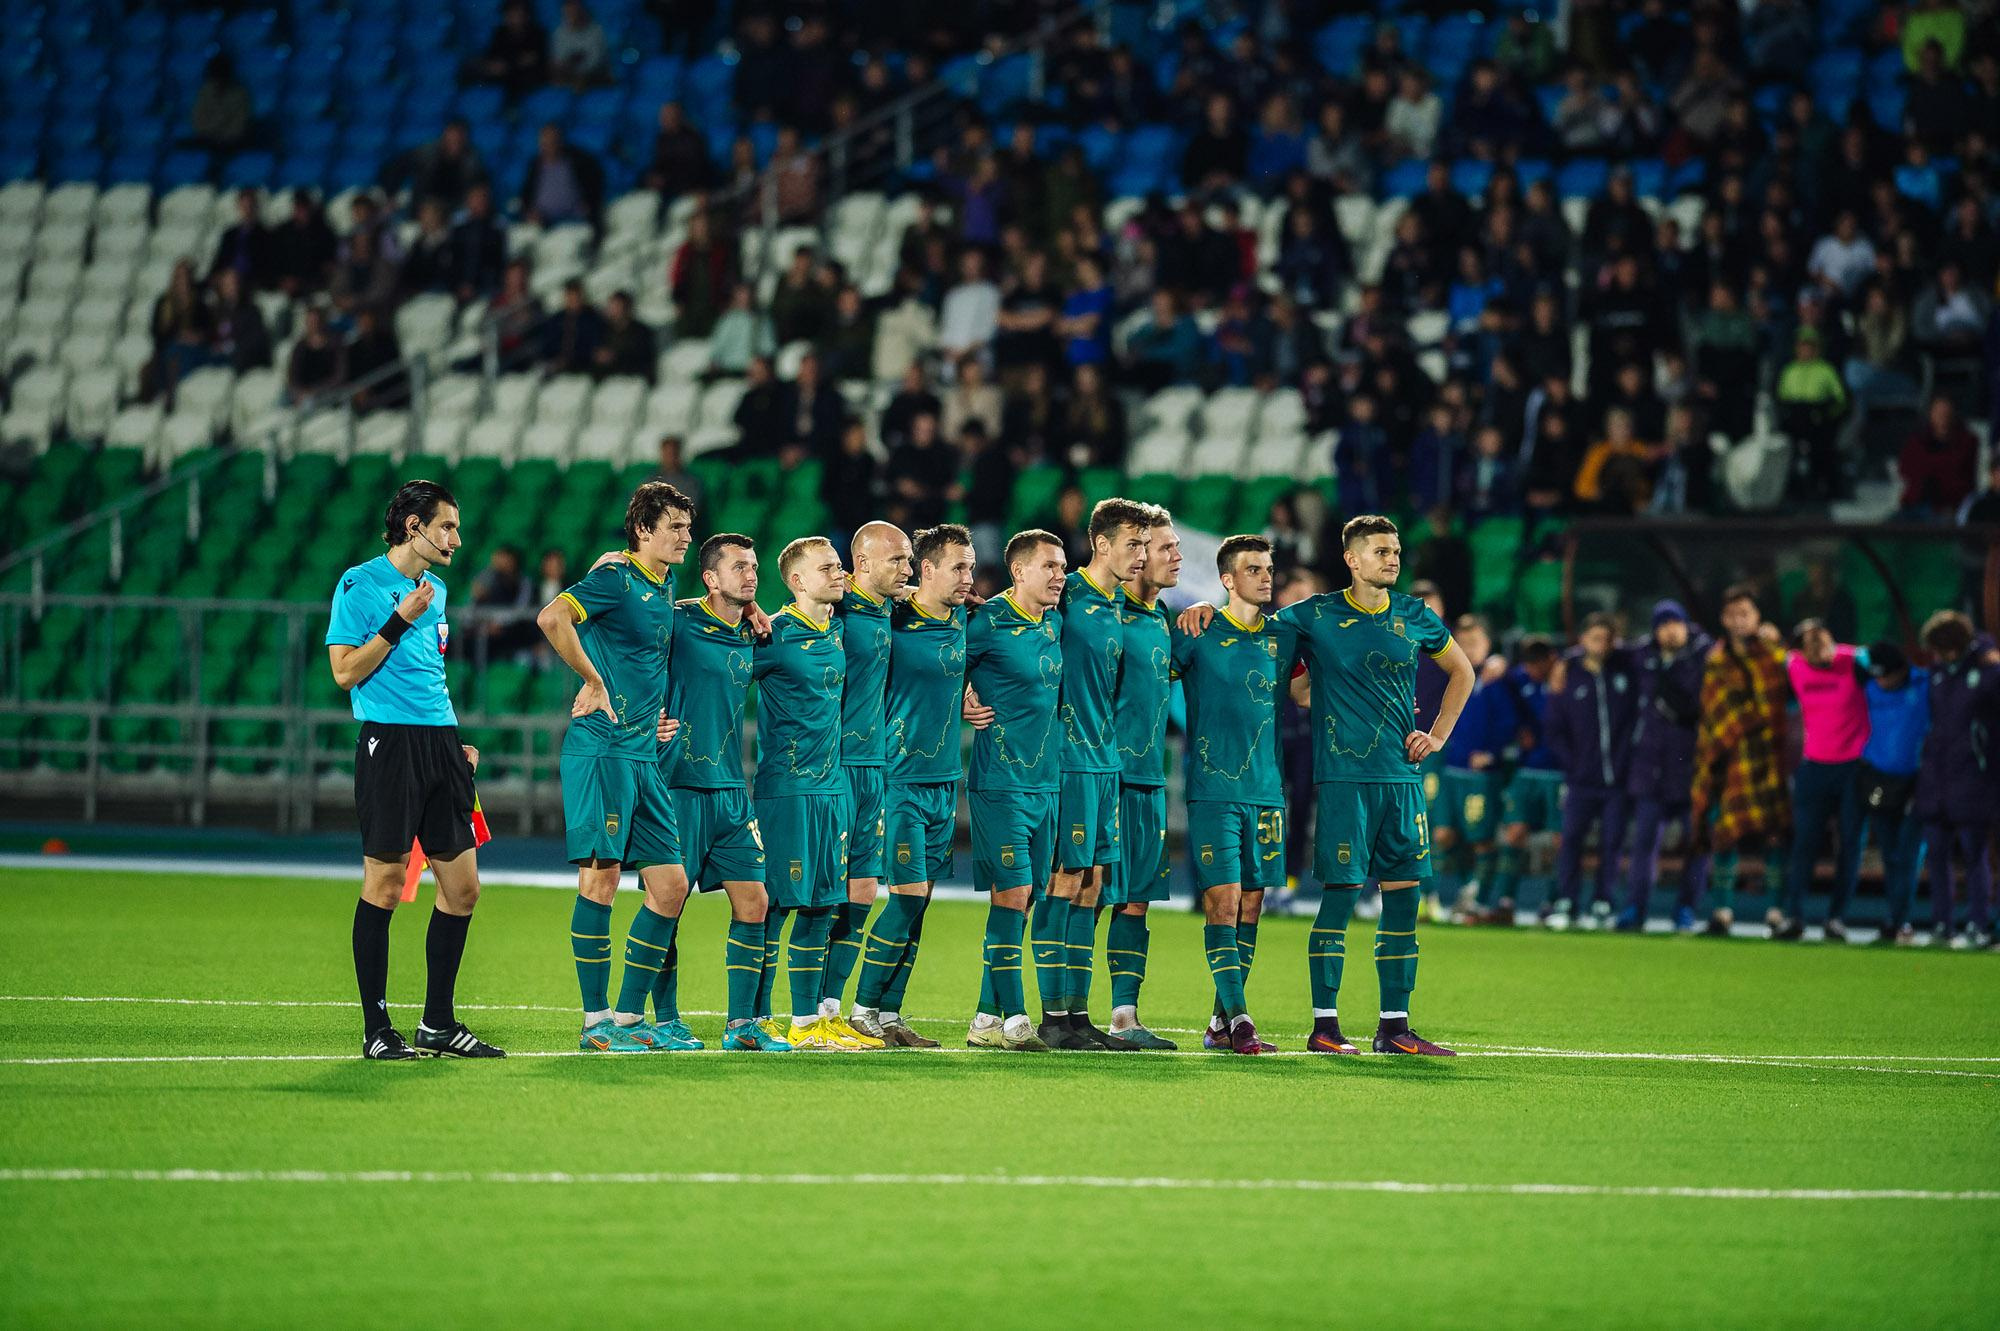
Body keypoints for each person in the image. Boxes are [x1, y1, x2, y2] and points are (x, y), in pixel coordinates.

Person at [1276, 517, 1473, 1055]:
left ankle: (1395, 1026)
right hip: (1344, 780)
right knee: (1339, 898)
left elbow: (1463, 672)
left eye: (1396, 551)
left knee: (1404, 900)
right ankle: (1324, 1026)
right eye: (1381, 551)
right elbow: (1257, 635)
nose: (1392, 559)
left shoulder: (1414, 614)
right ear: (1352, 559)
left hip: (1402, 778)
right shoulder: (1315, 615)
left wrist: (1436, 735)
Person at [326, 481, 502, 1060]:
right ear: (413, 527)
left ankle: (437, 1024)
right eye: (447, 526)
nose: (456, 537)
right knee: (383, 881)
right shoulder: (360, 584)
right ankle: (377, 1029)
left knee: (464, 888)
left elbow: (429, 672)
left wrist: (452, 741)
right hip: (389, 746)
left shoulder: (439, 590)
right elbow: (346, 673)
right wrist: (398, 620)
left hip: (440, 745)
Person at [536, 484, 692, 1054]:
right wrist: (593, 679)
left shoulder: (661, 581)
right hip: (601, 749)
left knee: (671, 887)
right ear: (643, 530)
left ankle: (628, 1017)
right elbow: (552, 617)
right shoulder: (615, 577)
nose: (685, 536)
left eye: (687, 526)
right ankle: (595, 1022)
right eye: (674, 526)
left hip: (642, 754)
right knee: (600, 881)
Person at [851, 525, 978, 1046]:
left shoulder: (970, 617)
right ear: (926, 569)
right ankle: (861, 1008)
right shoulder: (890, 616)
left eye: (971, 568)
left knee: (920, 901)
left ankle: (890, 1015)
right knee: (903, 898)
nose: (969, 578)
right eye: (959, 568)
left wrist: (972, 689)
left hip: (944, 782)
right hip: (898, 779)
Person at [662, 534, 787, 1051]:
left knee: (755, 901)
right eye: (738, 567)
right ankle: (664, 1019)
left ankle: (741, 1025)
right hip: (677, 785)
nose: (751, 574)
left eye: (754, 566)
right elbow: (623, 643)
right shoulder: (679, 620)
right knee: (667, 905)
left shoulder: (757, 634)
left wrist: (754, 606)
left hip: (733, 791)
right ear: (710, 578)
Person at [1036, 500, 1153, 1052]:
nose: (1143, 555)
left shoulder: (1118, 606)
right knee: (1064, 880)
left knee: (1093, 886)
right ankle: (1051, 1015)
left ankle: (1079, 1016)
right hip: (1068, 760)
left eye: (1146, 545)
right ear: (1102, 544)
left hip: (1106, 761)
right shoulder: (1069, 594)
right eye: (1133, 544)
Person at [1171, 535, 1291, 1054]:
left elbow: (1313, 687)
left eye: (1269, 569)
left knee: (1252, 906)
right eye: (1254, 569)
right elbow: (1150, 682)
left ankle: (1220, 1022)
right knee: (1222, 904)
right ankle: (1241, 1019)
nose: (1266, 577)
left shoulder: (1284, 638)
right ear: (1226, 580)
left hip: (1267, 793)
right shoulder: (1197, 630)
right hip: (1213, 790)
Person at [752, 538, 861, 1049]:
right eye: (827, 568)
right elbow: (718, 675)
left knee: (823, 907)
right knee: (775, 906)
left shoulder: (837, 629)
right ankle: (756, 1017)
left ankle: (806, 1022)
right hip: (787, 791)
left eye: (840, 565)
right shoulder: (771, 635)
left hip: (832, 790)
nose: (839, 574)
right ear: (796, 582)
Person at [961, 529, 1067, 1052]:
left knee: (1023, 903)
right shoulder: (985, 623)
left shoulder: (1054, 623)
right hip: (1000, 783)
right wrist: (961, 694)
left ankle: (984, 1017)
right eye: (1048, 566)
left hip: (1045, 783)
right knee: (1015, 894)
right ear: (1019, 571)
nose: (1059, 575)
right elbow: (936, 660)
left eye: (1063, 566)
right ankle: (1016, 1019)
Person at [812, 523, 914, 1046]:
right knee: (817, 893)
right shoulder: (840, 603)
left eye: (911, 560)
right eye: (897, 560)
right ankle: (792, 1014)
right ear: (862, 565)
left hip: (875, 768)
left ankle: (832, 1010)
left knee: (861, 891)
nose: (908, 569)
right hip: (832, 767)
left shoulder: (892, 608)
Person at [1098, 508, 1181, 1049]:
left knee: (1135, 900)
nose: (1176, 557)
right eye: (1165, 548)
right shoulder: (1101, 612)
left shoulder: (1163, 617)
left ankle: (1124, 1017)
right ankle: (1036, 1012)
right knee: (1074, 895)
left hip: (1148, 779)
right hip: (1099, 778)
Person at [1690, 585, 1792, 937]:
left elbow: (1777, 703)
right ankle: (1722, 912)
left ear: (1757, 618)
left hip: (1767, 757)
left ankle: (1777, 913)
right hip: (1728, 760)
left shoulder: (1775, 655)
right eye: (1732, 615)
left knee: (1774, 836)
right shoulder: (1714, 660)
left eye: (1745, 614)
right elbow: (1714, 712)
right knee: (1724, 835)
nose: (1738, 621)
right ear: (1723, 619)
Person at [1619, 601, 1712, 932]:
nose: (1670, 630)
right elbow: (1600, 652)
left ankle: (1686, 909)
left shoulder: (1707, 657)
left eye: (1676, 623)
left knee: (1697, 844)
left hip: (1692, 769)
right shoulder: (1643, 657)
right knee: (1643, 845)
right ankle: (1635, 909)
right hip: (1650, 769)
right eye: (1663, 624)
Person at [1543, 613, 1638, 930]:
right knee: (1571, 840)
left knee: (1612, 842)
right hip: (1581, 780)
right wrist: (1573, 765)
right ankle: (1567, 901)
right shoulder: (1570, 677)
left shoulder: (1625, 671)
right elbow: (1554, 730)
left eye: (1608, 638)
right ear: (1583, 640)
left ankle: (1602, 902)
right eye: (1595, 637)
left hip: (1617, 780)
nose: (1602, 644)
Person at [1778, 621, 1871, 940]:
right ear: (1801, 650)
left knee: (1850, 844)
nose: (1822, 649)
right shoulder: (1793, 666)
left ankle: (1836, 918)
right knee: (1804, 844)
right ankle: (1794, 916)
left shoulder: (1854, 661)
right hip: (1814, 767)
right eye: (1813, 644)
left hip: (1853, 768)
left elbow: (1889, 665)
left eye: (1826, 640)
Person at [1914, 612, 2000, 949]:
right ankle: (1942, 924)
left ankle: (1979, 925)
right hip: (1936, 780)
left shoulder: (1989, 673)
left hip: (1975, 780)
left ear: (1954, 646)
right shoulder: (1937, 676)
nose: (1935, 655)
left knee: (1974, 854)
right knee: (1935, 854)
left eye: (1939, 648)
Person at [1430, 616, 1514, 923]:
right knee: (1444, 834)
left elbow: (1509, 722)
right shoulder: (1451, 674)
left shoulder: (1496, 681)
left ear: (1488, 645)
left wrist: (1491, 754)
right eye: (1462, 643)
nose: (1467, 648)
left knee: (1481, 837)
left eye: (1474, 643)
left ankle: (1479, 897)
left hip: (1479, 776)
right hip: (1451, 769)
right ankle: (1467, 887)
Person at [1855, 642, 1930, 946]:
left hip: (1917, 781)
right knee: (1889, 854)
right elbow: (1851, 654)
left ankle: (1898, 921)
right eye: (1877, 676)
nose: (1881, 682)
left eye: (1887, 675)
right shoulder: (1869, 684)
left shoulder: (1925, 683)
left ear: (1902, 669)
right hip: (1878, 779)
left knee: (1909, 853)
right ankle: (1896, 918)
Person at [1485, 636, 1562, 924]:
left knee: (1560, 839)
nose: (1530, 671)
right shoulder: (1517, 679)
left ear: (1551, 660)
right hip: (1526, 769)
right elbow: (1498, 680)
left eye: (1536, 665)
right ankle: (1505, 901)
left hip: (1559, 771)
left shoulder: (1567, 679)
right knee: (1515, 832)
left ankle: (1554, 903)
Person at [378, 121, 489, 215]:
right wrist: (391, 193)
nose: (454, 142)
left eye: (458, 139)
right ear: (444, 136)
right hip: (422, 207)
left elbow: (478, 188)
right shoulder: (426, 154)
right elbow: (396, 168)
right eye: (451, 137)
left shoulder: (473, 161)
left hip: (455, 210)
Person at [519, 124, 605, 233]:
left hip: (572, 221)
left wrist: (589, 205)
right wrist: (528, 212)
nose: (548, 145)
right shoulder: (534, 166)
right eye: (545, 141)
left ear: (560, 141)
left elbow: (595, 182)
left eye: (553, 141)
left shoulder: (576, 162)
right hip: (541, 222)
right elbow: (525, 195)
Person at [471, 0, 548, 96]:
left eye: (518, 13)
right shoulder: (499, 33)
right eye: (510, 13)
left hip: (525, 80)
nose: (514, 17)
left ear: (527, 15)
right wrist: (493, 65)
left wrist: (507, 64)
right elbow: (491, 59)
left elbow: (532, 59)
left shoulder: (537, 33)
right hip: (502, 79)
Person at [189, 54, 252, 155]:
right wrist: (213, 131)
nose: (218, 80)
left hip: (230, 144)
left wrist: (218, 133)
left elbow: (238, 127)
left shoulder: (239, 94)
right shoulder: (206, 91)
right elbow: (198, 122)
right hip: (206, 140)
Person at [286, 304, 345, 405]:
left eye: (315, 321)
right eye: (310, 321)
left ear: (321, 321)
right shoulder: (300, 347)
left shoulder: (335, 343)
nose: (313, 324)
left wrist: (315, 391)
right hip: (303, 394)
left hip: (327, 393)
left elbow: (339, 375)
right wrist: (300, 392)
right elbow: (293, 376)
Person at [549, 0, 610, 88]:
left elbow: (596, 62)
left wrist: (574, 63)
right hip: (568, 75)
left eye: (574, 11)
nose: (571, 15)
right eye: (568, 12)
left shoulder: (596, 31)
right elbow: (560, 61)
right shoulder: (559, 33)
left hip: (593, 76)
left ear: (581, 11)